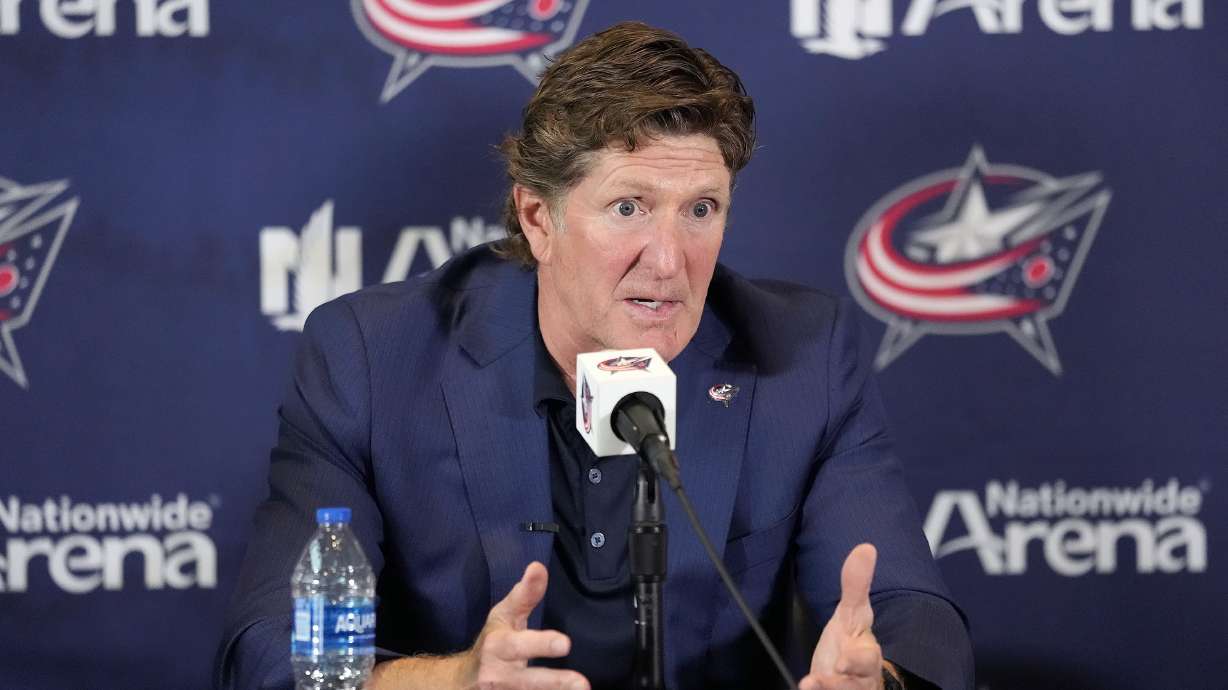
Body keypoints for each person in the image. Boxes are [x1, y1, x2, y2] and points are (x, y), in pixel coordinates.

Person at [217, 21, 973, 690]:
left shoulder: (802, 355)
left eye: (700, 210)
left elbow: (915, 618)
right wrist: (454, 681)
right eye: (628, 208)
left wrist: (884, 680)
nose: (670, 260)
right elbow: (272, 653)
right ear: (538, 217)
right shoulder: (373, 361)